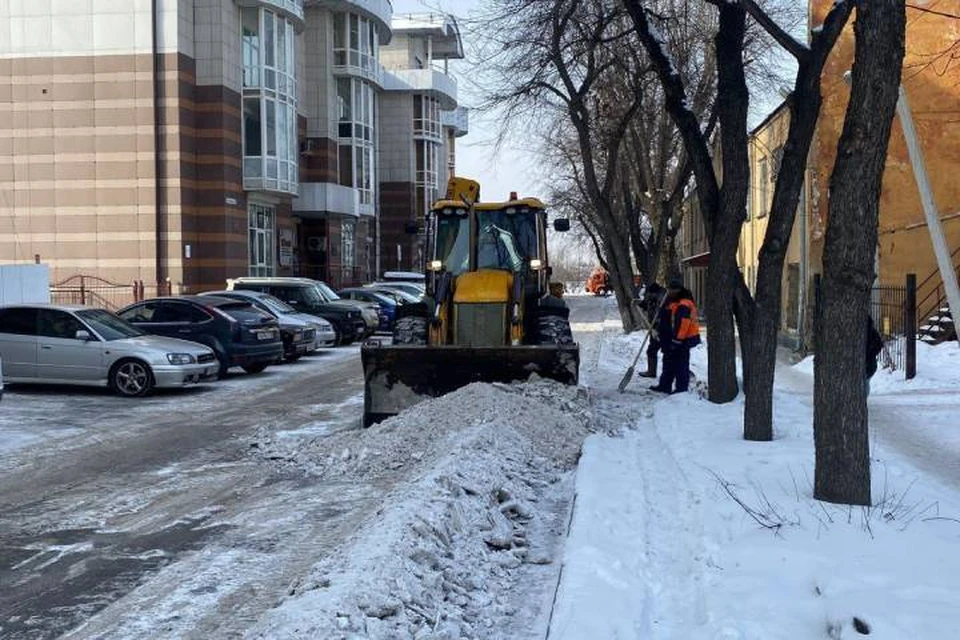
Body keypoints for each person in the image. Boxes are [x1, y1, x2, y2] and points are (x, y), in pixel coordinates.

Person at [650, 280, 701, 394]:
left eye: (671, 290)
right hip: (670, 337)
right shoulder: (672, 301)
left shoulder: (684, 303)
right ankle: (664, 385)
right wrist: (659, 329)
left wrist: (677, 340)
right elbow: (666, 318)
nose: (669, 292)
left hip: (683, 340)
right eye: (668, 289)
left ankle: (681, 389)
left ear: (677, 290)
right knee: (668, 362)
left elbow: (683, 323)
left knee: (680, 364)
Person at [637, 282, 665, 378]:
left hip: (663, 328)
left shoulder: (662, 298)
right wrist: (638, 304)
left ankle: (677, 374)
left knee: (668, 352)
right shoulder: (651, 295)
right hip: (653, 327)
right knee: (651, 350)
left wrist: (657, 330)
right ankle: (651, 371)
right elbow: (646, 305)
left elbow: (662, 314)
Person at [865, 315, 884, 397]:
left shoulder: (871, 332)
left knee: (865, 382)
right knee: (865, 382)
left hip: (869, 363)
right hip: (870, 363)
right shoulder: (871, 331)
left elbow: (879, 345)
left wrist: (870, 353)